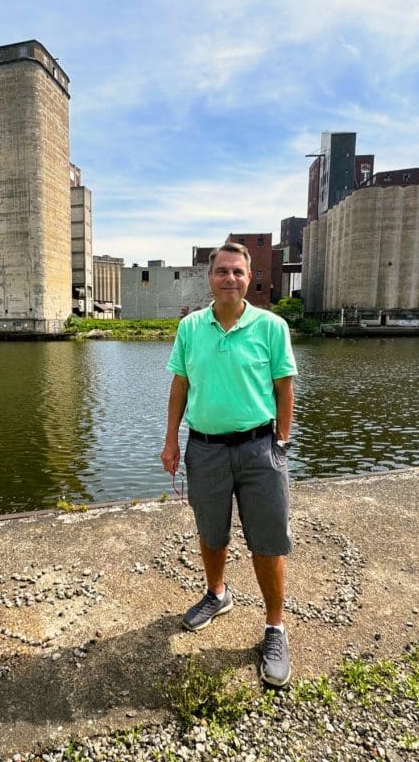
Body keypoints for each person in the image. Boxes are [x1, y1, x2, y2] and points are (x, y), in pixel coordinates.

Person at [160, 241, 297, 687]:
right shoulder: (190, 328)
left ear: (250, 277)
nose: (230, 279)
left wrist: (281, 441)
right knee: (210, 531)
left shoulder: (272, 327)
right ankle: (217, 595)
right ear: (209, 277)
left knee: (268, 541)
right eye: (222, 271)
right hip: (205, 449)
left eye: (238, 272)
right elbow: (179, 387)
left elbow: (284, 388)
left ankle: (275, 628)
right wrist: (170, 442)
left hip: (260, 449)